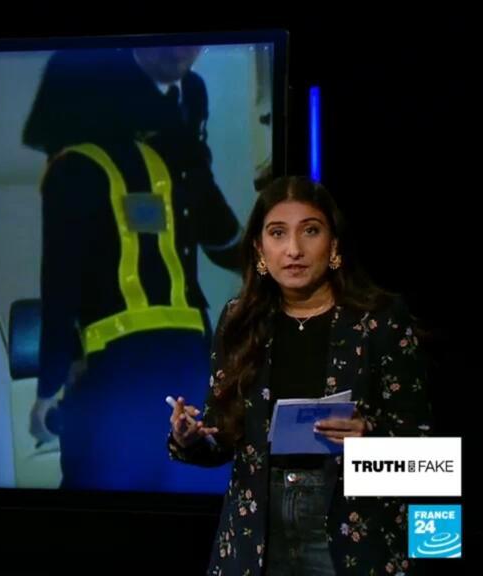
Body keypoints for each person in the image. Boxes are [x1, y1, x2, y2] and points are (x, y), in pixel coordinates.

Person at [169, 176, 432, 575]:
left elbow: (429, 460)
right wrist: (188, 438)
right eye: (277, 233)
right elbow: (222, 440)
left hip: (355, 533)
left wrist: (368, 438)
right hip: (256, 536)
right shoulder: (239, 321)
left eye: (310, 231)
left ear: (334, 244)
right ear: (259, 248)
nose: (294, 249)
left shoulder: (380, 319)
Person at [21, 46, 242, 491]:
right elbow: (214, 233)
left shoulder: (70, 168)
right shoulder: (163, 161)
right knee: (191, 481)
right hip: (189, 354)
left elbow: (59, 287)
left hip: (117, 366)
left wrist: (47, 391)